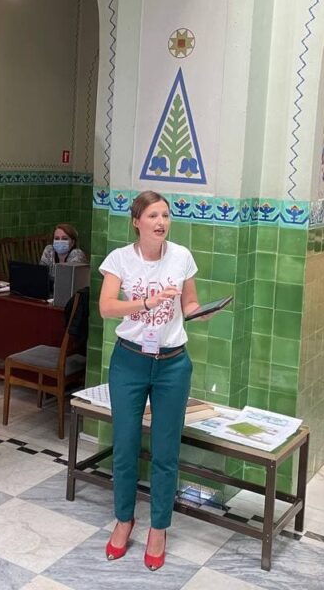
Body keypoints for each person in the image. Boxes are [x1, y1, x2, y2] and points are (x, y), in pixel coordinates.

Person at [98, 190, 209, 572]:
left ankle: (159, 528)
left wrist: (200, 312)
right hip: (129, 362)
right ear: (137, 222)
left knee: (165, 450)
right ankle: (123, 520)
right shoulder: (120, 259)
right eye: (153, 216)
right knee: (125, 444)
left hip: (172, 365)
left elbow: (189, 304)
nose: (161, 222)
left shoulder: (181, 257)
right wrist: (146, 303)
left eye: (165, 215)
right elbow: (106, 307)